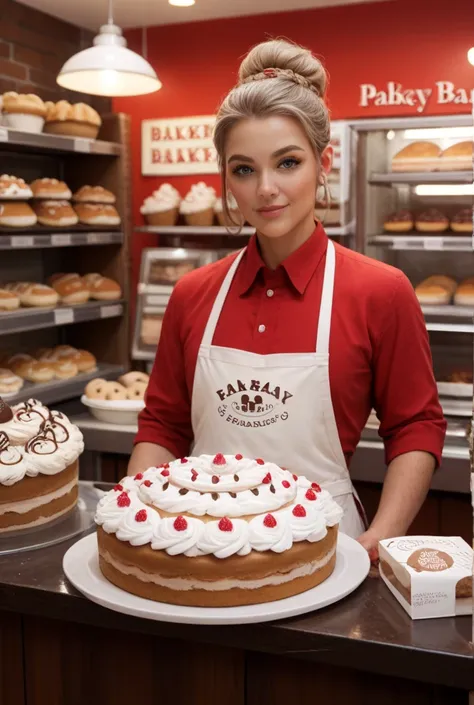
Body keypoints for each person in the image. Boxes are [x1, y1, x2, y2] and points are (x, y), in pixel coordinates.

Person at [129, 39, 446, 556]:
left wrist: (380, 537)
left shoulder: (379, 291)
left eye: (288, 163)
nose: (266, 189)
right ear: (227, 178)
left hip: (328, 552)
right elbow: (164, 423)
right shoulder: (192, 294)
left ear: (323, 164)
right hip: (202, 548)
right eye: (244, 169)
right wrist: (137, 516)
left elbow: (415, 425)